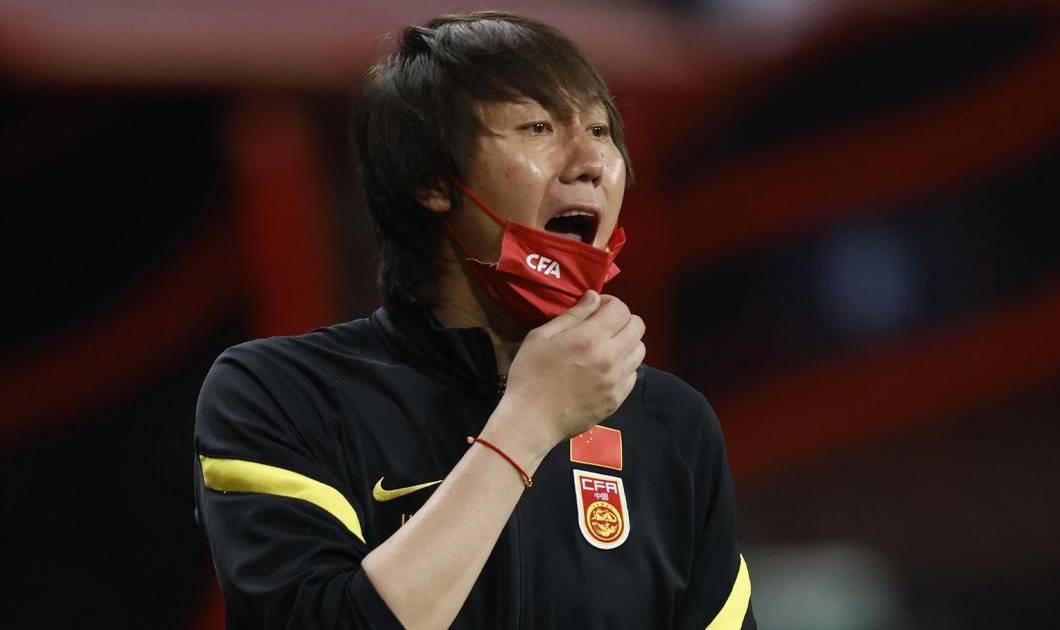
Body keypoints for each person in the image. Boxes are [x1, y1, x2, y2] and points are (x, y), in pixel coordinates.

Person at [193, 11, 754, 630]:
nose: (591, 160)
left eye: (599, 129)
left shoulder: (672, 426)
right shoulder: (280, 395)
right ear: (434, 179)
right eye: (538, 127)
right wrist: (527, 423)